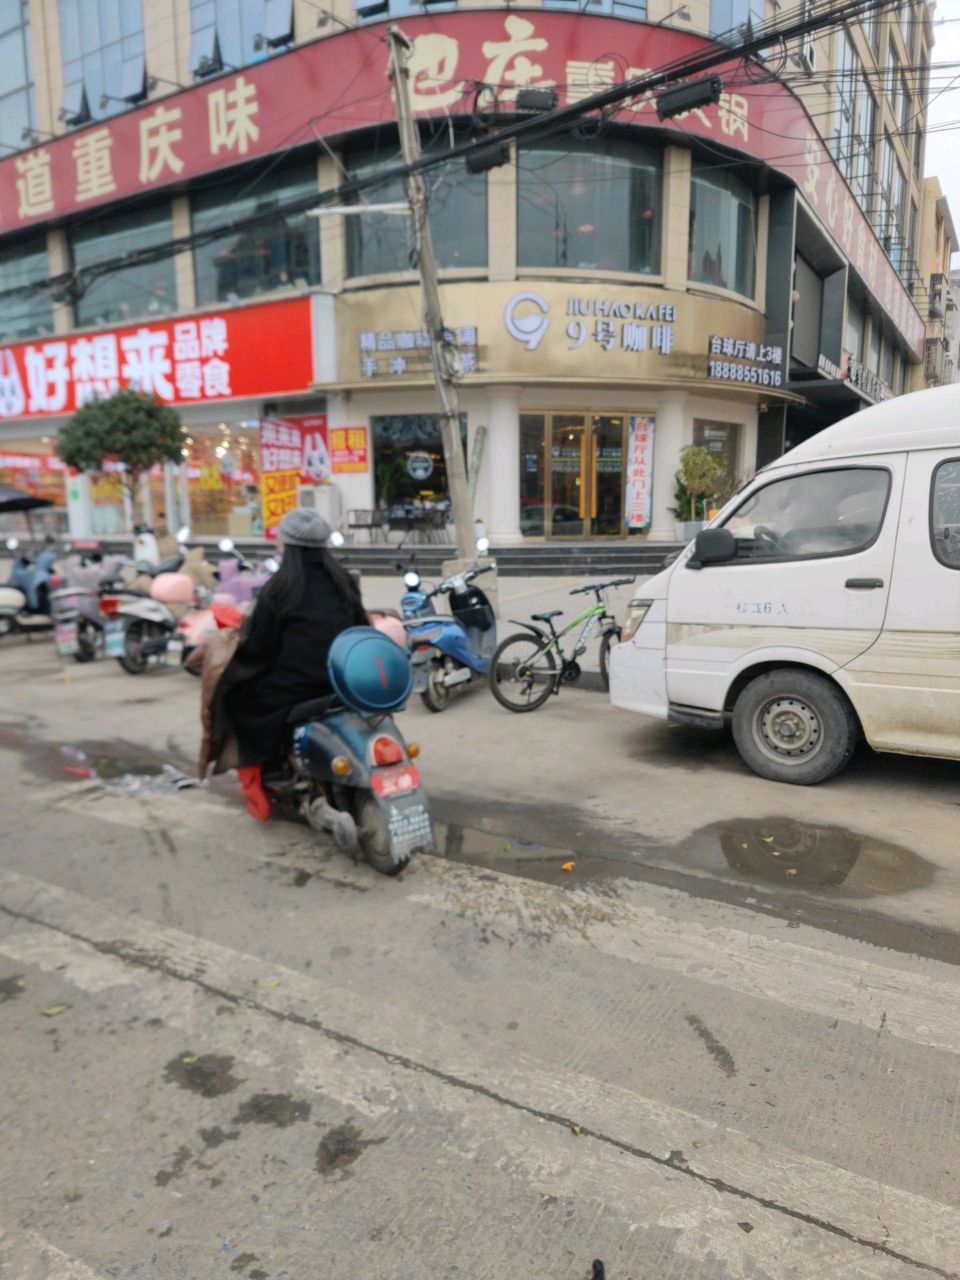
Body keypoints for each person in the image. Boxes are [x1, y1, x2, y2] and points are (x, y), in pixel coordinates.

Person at [221, 507, 368, 821]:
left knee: (240, 699)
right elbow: (361, 629)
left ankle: (274, 767)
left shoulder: (279, 588)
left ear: (286, 544)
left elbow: (259, 649)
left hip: (298, 690)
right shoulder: (344, 581)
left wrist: (235, 669)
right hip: (345, 682)